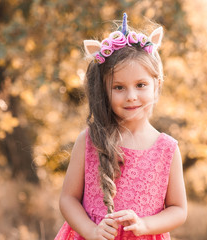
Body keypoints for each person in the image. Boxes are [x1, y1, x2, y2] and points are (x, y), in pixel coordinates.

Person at [55, 13, 187, 240]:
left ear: (157, 85)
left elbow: (178, 210)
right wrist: (91, 231)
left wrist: (145, 225)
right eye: (119, 87)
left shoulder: (167, 149)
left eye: (141, 85)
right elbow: (68, 199)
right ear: (104, 90)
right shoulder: (89, 141)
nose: (131, 96)